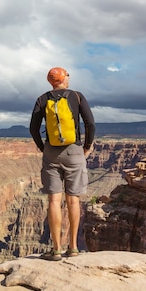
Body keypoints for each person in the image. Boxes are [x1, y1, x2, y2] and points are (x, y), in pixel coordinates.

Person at [29, 67, 95, 261]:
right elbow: (90, 124)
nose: (68, 77)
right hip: (74, 150)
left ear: (51, 81)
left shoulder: (42, 99)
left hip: (51, 151)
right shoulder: (77, 96)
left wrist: (43, 147)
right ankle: (73, 247)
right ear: (64, 78)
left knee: (53, 201)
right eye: (67, 75)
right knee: (73, 200)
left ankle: (56, 249)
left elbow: (33, 128)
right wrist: (87, 147)